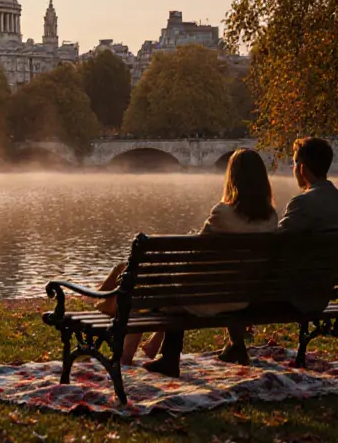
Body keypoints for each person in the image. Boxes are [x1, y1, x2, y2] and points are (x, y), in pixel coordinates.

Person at [142, 136, 338, 377]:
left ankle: (177, 354)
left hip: (289, 296)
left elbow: (271, 247)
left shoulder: (302, 204)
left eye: (293, 163)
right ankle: (235, 346)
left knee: (233, 277)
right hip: (324, 293)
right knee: (238, 274)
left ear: (301, 168)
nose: (293, 168)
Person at [94, 148, 278, 370]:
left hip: (203, 301)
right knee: (162, 284)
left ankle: (128, 356)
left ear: (233, 178)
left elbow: (194, 262)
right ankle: (160, 350)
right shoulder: (271, 218)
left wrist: (170, 268)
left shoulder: (222, 214)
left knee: (146, 287)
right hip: (242, 299)